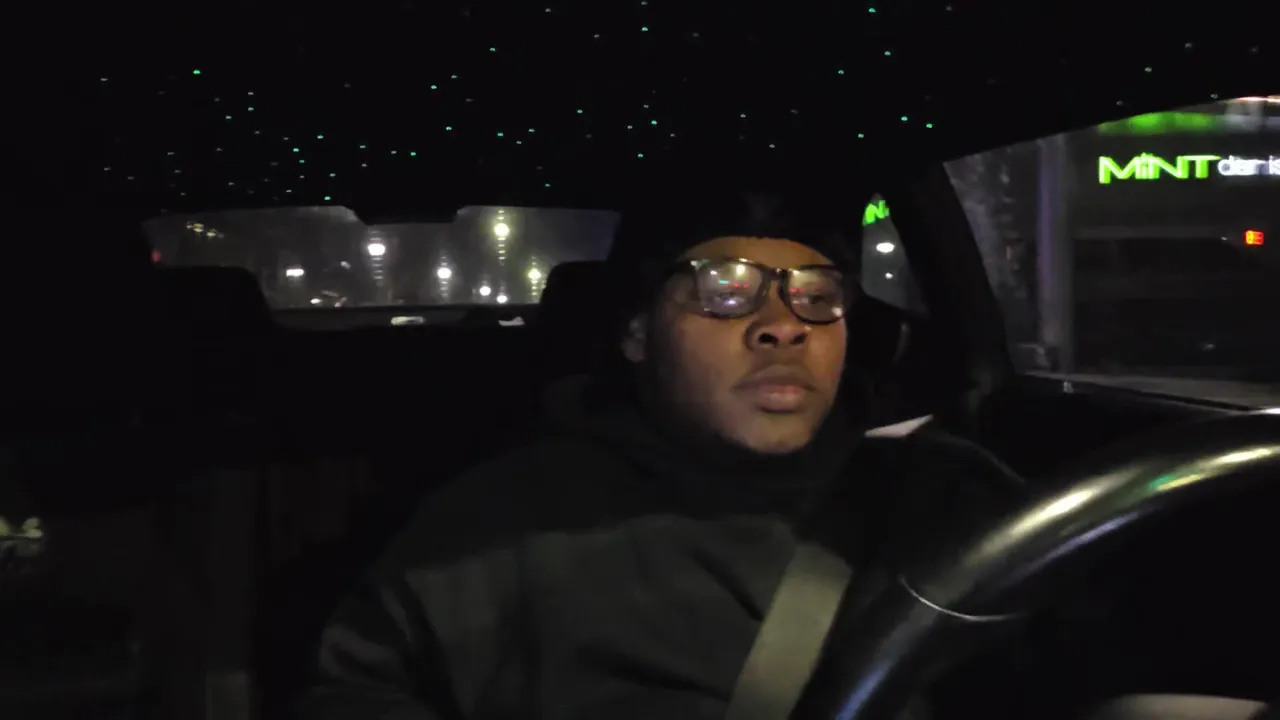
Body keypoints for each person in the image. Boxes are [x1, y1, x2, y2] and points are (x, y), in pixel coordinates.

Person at [297, 186, 1023, 719]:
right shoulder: (494, 526)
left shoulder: (941, 498)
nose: (784, 325)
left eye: (816, 296)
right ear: (638, 335)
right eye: (725, 291)